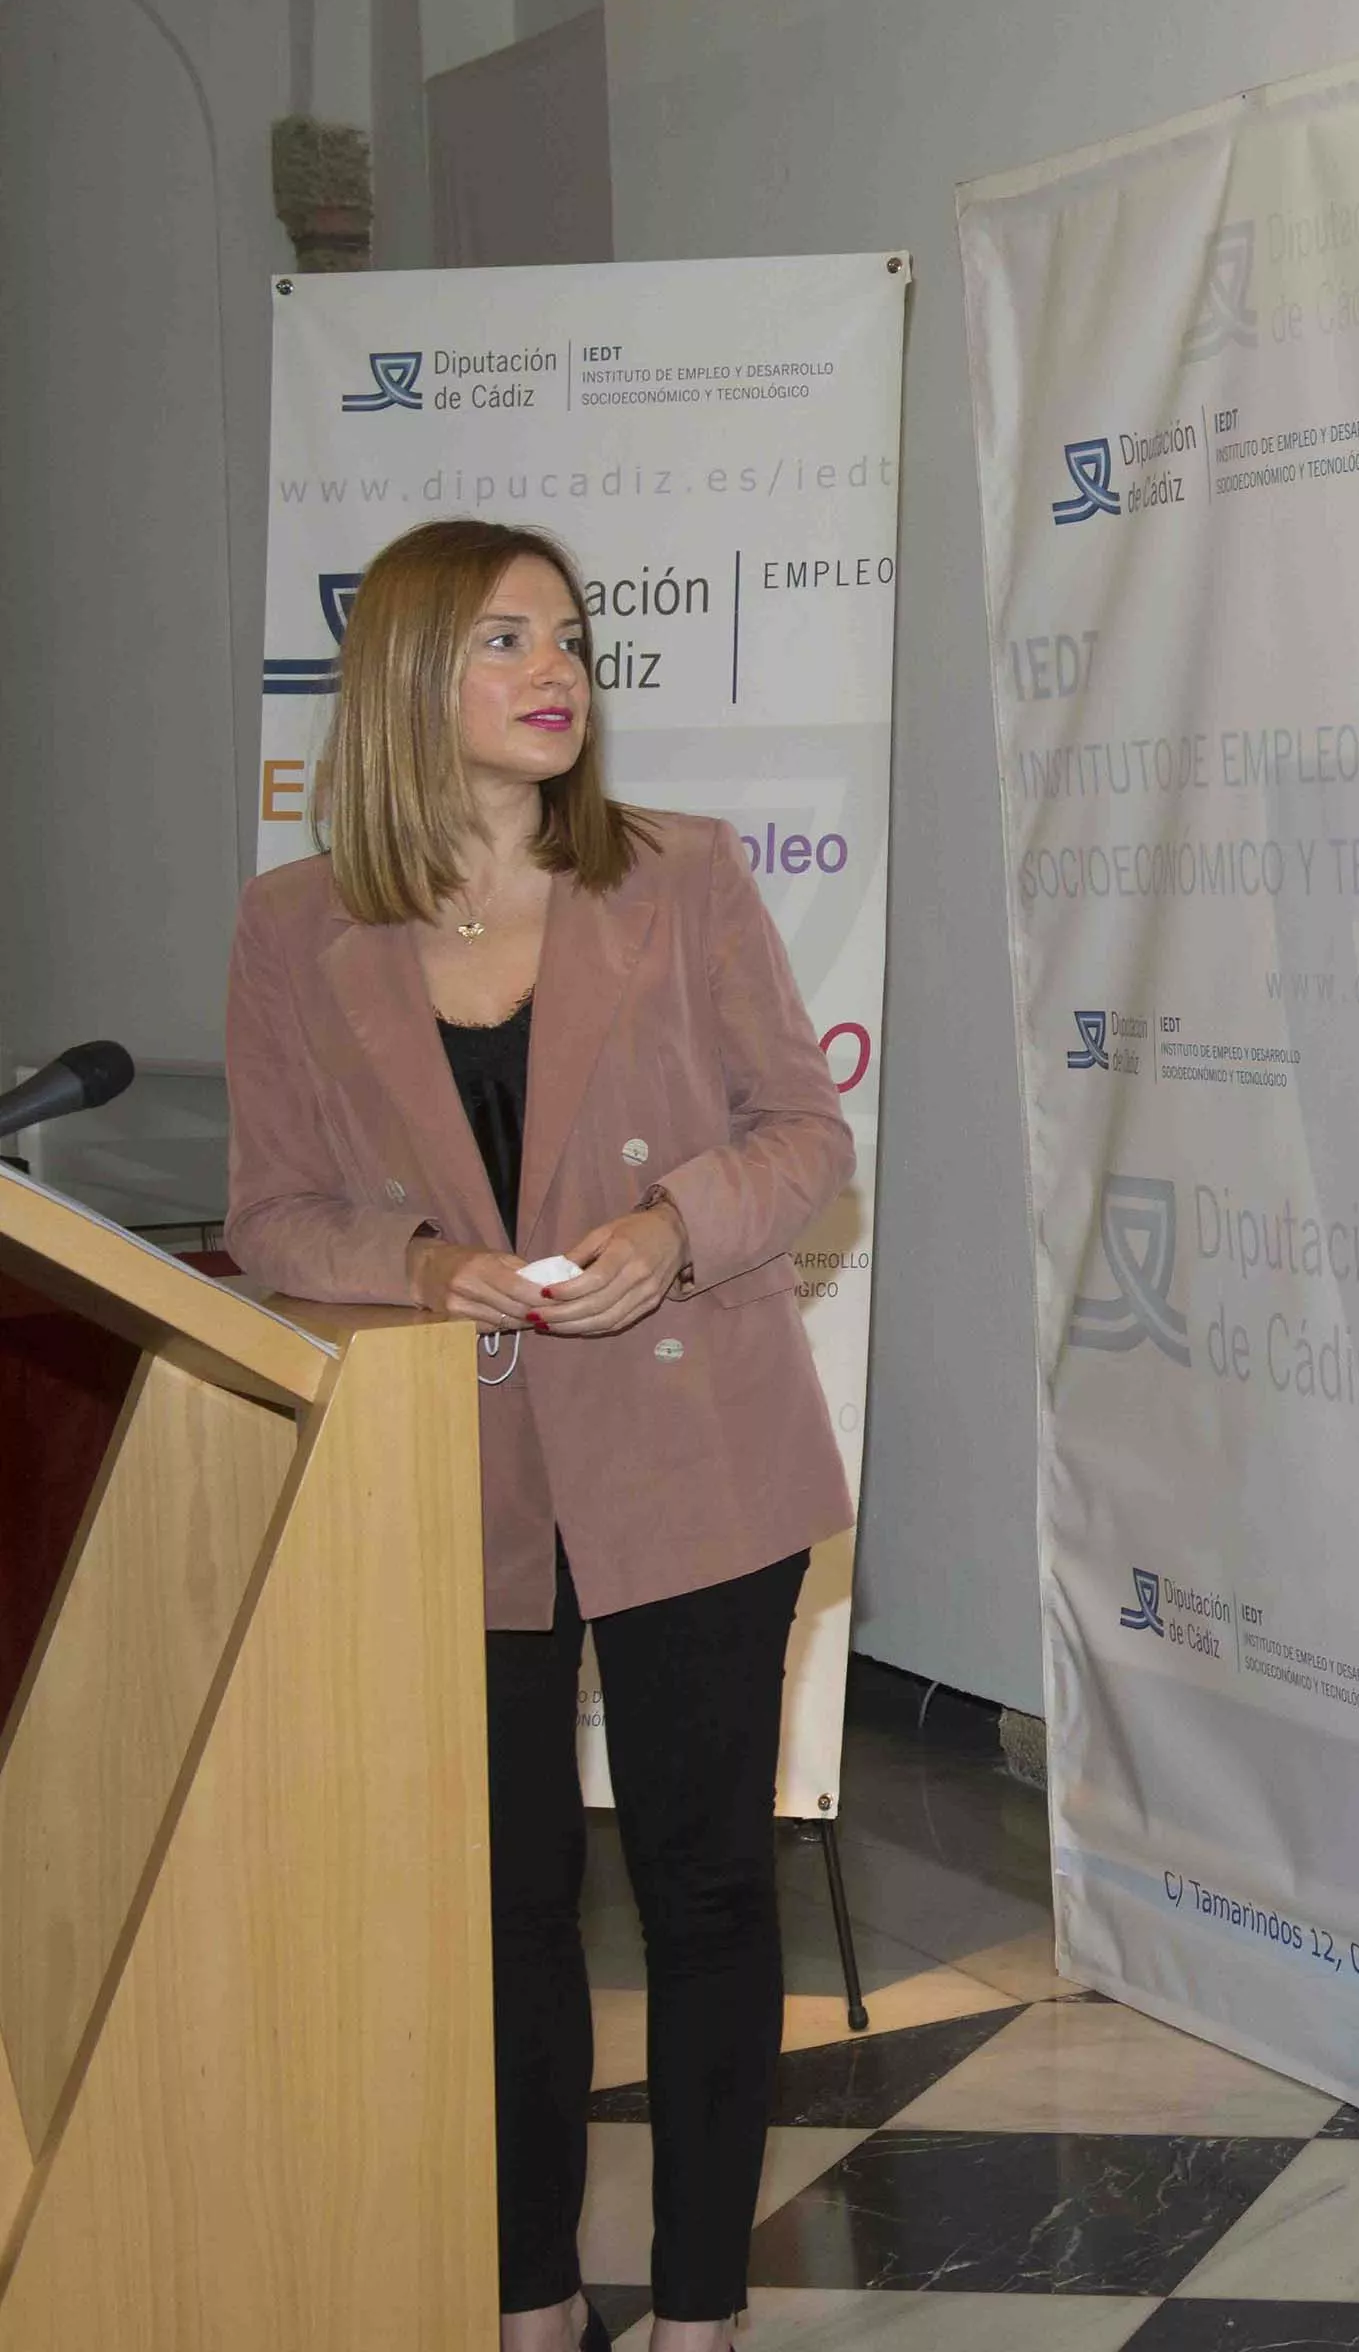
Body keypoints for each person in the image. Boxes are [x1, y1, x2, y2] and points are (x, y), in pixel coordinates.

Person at [224, 519, 853, 2352]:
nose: (556, 669)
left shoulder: (681, 875)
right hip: (455, 1474)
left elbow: (805, 1136)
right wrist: (429, 1267)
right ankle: (528, 2294)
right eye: (506, 640)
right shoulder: (294, 927)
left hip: (693, 1457)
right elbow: (275, 1217)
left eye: (570, 637)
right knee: (505, 1908)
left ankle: (707, 2309)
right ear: (411, 677)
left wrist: (670, 1237)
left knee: (707, 1880)